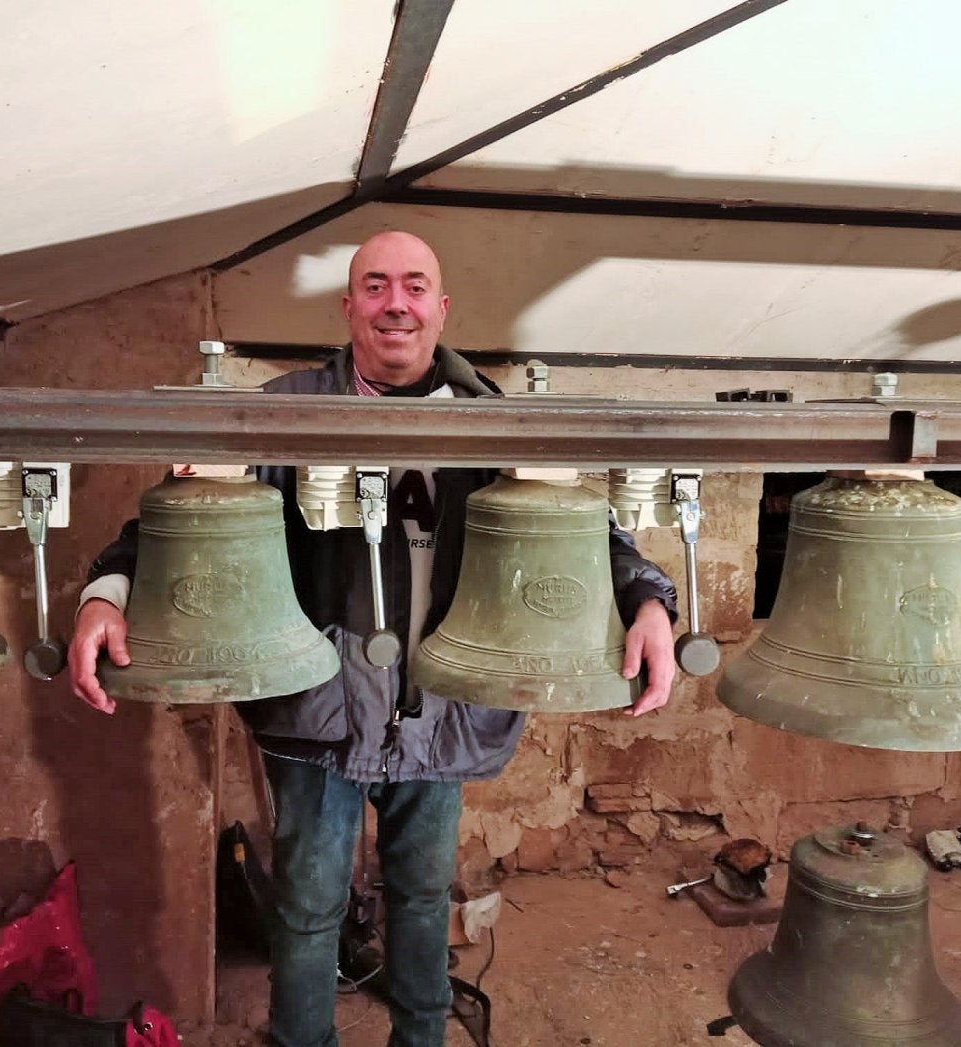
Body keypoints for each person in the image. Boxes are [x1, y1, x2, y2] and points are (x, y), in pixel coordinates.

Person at [69, 231, 680, 1047]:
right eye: (377, 285)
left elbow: (589, 532)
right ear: (349, 305)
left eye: (416, 286)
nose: (397, 303)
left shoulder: (497, 421)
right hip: (317, 706)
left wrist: (649, 602)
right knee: (308, 901)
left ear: (441, 307)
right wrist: (106, 593)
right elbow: (181, 516)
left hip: (441, 706)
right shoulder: (281, 409)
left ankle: (421, 1037)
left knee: (423, 895)